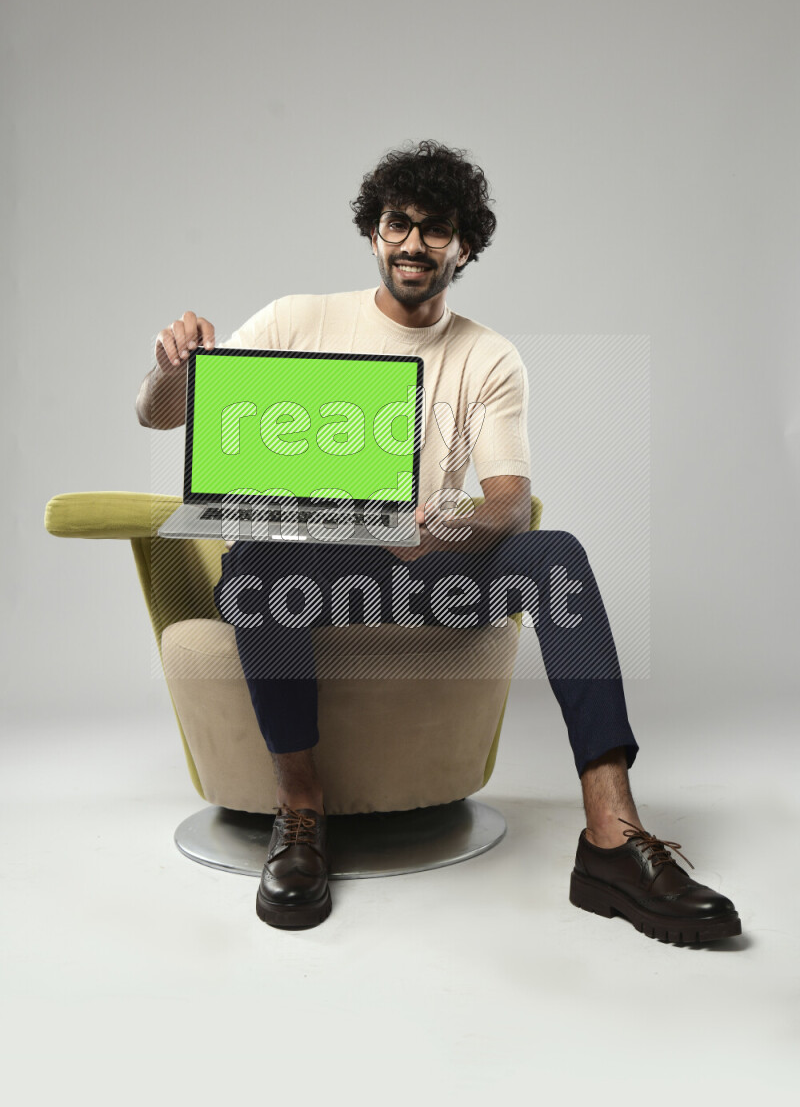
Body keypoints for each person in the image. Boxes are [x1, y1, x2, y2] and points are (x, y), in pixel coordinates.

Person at [136, 140, 741, 943]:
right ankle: (302, 813)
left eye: (435, 228)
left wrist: (453, 527)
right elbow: (161, 413)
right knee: (258, 563)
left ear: (464, 245)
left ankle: (612, 836)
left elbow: (511, 504)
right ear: (374, 233)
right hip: (295, 574)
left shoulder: (487, 357)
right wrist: (172, 364)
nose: (413, 243)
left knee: (554, 555)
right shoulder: (297, 318)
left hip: (420, 572)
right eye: (398, 224)